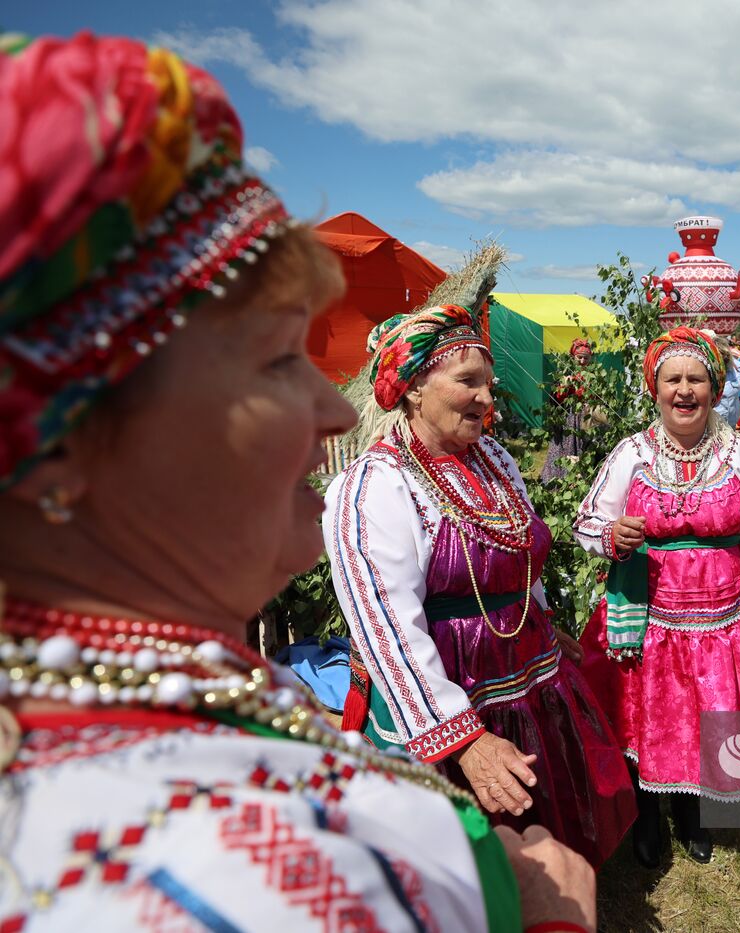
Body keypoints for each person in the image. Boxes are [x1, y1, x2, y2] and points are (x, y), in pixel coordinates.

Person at [0, 31, 592, 932]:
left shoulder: (177, 707)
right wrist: (547, 921)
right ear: (60, 448)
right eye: (277, 359)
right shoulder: (223, 868)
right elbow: (387, 616)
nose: (339, 413)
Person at [326, 304, 634, 868]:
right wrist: (462, 740)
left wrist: (538, 615)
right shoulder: (373, 486)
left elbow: (522, 545)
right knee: (460, 851)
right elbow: (385, 627)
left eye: (489, 384)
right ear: (414, 388)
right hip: (448, 688)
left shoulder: (491, 457)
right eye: (468, 382)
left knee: (540, 810)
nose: (489, 400)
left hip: (526, 661)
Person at [575, 328, 740, 867]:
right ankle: (644, 813)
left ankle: (690, 813)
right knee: (646, 716)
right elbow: (586, 522)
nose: (685, 391)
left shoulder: (737, 454)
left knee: (705, 712)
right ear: (654, 388)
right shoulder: (631, 455)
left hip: (721, 622)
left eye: (696, 380)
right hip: (648, 617)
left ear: (715, 387)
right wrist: (612, 537)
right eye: (672, 379)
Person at [540, 337, 597, 482]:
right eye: (579, 357)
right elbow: (556, 398)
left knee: (586, 448)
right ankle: (559, 479)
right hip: (569, 419)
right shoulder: (565, 374)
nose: (583, 361)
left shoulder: (592, 377)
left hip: (586, 419)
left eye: (586, 358)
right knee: (564, 449)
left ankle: (583, 479)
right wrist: (566, 385)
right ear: (573, 357)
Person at [710, 332, 740, 429]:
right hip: (712, 422)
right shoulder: (707, 368)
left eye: (726, 355)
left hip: (731, 420)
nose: (724, 359)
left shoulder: (737, 367)